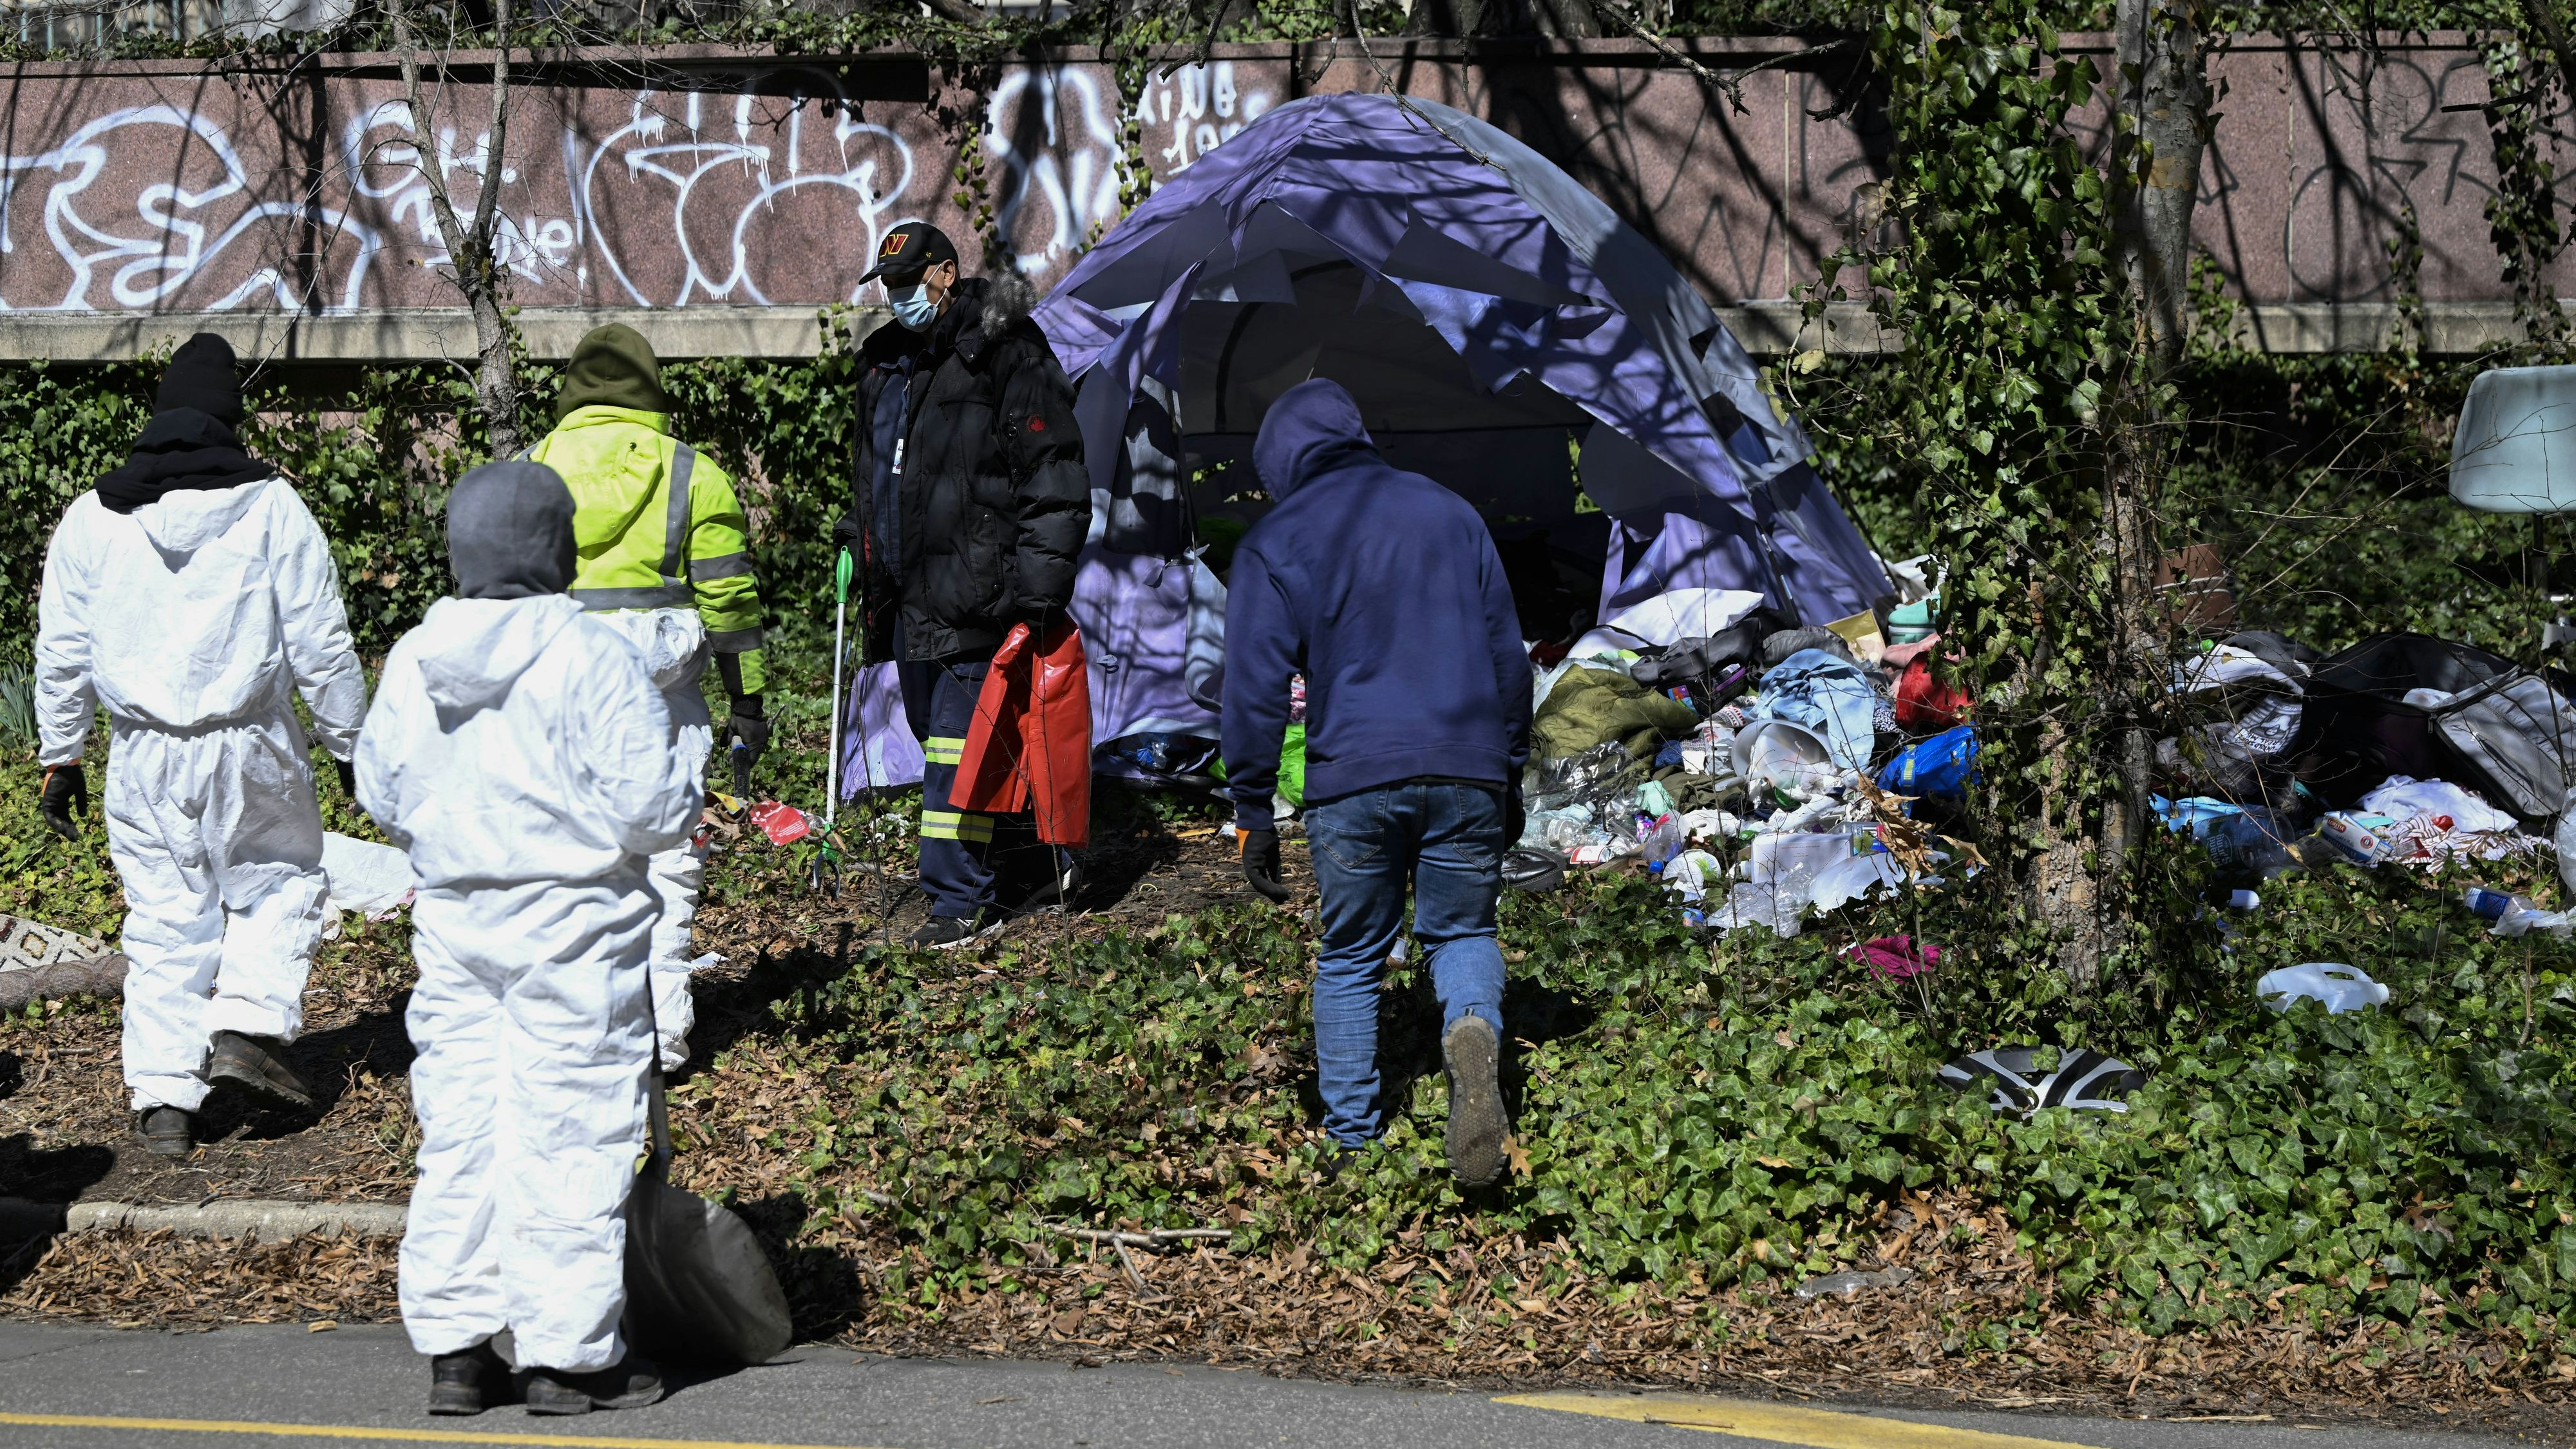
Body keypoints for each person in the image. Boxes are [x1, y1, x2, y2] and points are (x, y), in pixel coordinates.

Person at [358, 461, 698, 1418]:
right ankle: (567, 1357)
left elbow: (380, 791)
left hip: (458, 924)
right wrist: (688, 785)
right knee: (570, 1130)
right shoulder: (591, 654)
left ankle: (458, 1354)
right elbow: (650, 806)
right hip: (574, 927)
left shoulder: (417, 654)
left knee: (463, 1128)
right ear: (561, 547)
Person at [33, 332, 366, 1158]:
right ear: (231, 418)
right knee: (280, 880)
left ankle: (164, 1102)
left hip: (142, 755)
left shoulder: (93, 515)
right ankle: (248, 1025)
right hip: (250, 744)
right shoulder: (272, 507)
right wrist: (351, 745)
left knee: (165, 917)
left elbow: (62, 647)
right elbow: (322, 642)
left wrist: (61, 754)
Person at [1220, 379, 1533, 1188]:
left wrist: (1253, 806)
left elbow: (1253, 688)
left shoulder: (1276, 537)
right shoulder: (1448, 511)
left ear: (1281, 462)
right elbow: (1508, 657)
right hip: (1466, 766)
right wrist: (1508, 769)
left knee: (1354, 952)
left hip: (1352, 776)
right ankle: (1469, 1026)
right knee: (1461, 933)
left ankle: (1354, 1143)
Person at [837, 222, 1090, 948]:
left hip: (982, 590)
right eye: (887, 286)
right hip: (907, 593)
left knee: (956, 749)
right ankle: (1035, 860)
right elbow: (876, 474)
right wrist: (862, 534)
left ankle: (955, 904)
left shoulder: (1006, 353)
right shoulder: (885, 365)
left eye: (909, 282)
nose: (897, 298)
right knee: (947, 738)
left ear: (947, 273)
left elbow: (1055, 475)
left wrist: (1040, 584)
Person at [526, 324, 765, 1069]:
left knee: (574, 866)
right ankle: (661, 1036)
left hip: (564, 696)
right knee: (667, 863)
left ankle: (581, 1031)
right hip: (668, 703)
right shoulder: (693, 471)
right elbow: (728, 597)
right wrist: (747, 703)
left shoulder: (532, 468)